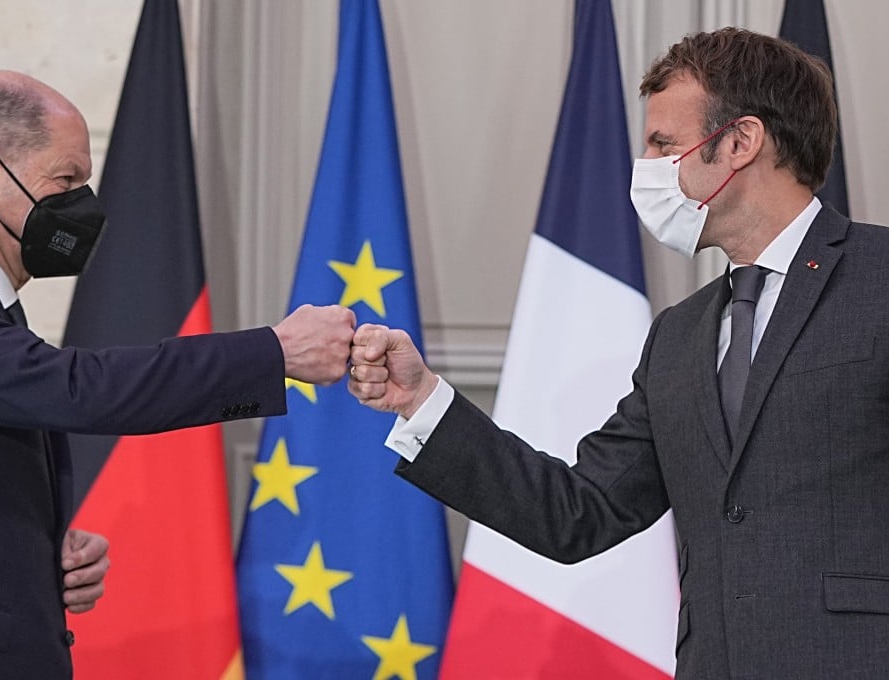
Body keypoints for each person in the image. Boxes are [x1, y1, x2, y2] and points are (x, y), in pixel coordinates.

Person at [349, 27, 889, 680]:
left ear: (741, 142)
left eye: (664, 144)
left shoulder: (879, 278)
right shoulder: (679, 337)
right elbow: (578, 513)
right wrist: (421, 400)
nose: (647, 167)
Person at [0, 70, 355, 679]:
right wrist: (273, 354)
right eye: (65, 180)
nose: (83, 207)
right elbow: (77, 390)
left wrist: (39, 551)